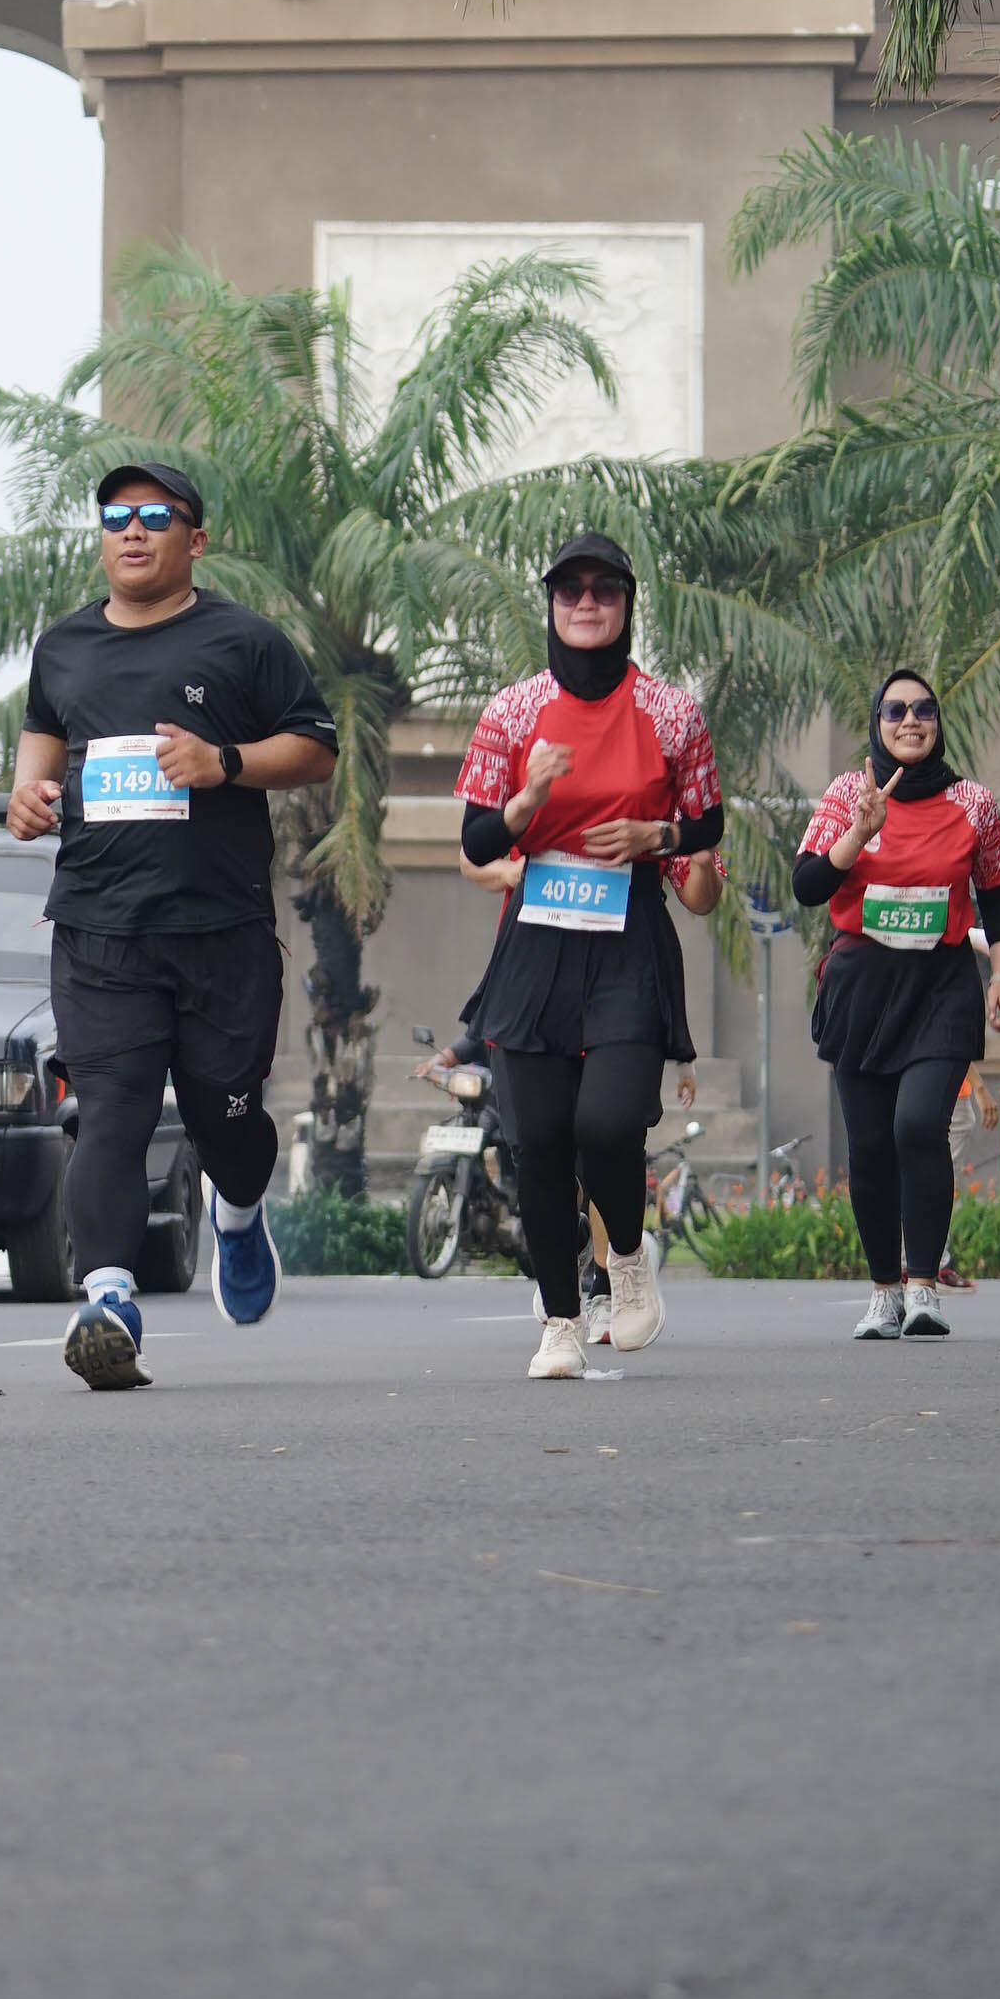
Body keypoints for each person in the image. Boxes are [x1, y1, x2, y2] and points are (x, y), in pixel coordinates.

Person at [8, 460, 338, 1391]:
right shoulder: (63, 646)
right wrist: (26, 796)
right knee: (109, 1113)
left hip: (220, 931)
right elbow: (42, 738)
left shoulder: (244, 641)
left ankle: (239, 1212)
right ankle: (110, 1302)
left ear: (196, 540)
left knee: (225, 1124)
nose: (133, 530)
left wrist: (223, 762)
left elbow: (315, 748)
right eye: (116, 516)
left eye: (156, 516)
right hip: (99, 929)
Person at [455, 531, 726, 1382]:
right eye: (568, 589)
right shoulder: (513, 710)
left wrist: (658, 836)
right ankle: (561, 1324)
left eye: (603, 589)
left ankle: (629, 1258)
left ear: (626, 604)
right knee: (537, 1141)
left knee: (607, 1123)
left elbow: (708, 821)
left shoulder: (672, 711)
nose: (585, 602)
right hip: (536, 935)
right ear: (550, 603)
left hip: (627, 936)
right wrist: (528, 799)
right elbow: (475, 836)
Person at [793, 672, 1000, 1341]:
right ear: (877, 723)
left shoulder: (973, 803)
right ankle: (884, 1292)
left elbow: (998, 895)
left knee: (919, 1126)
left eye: (923, 709)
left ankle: (923, 1284)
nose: (910, 720)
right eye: (895, 711)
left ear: (938, 722)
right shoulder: (848, 793)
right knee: (869, 1146)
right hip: (862, 987)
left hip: (940, 986)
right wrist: (858, 833)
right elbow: (808, 884)